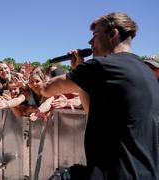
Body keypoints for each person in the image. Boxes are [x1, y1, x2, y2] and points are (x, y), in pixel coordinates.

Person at [41, 12, 159, 179]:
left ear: (113, 34)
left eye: (95, 36)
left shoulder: (102, 66)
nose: (90, 42)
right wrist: (80, 75)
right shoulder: (146, 72)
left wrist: (77, 72)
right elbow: (92, 112)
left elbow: (47, 89)